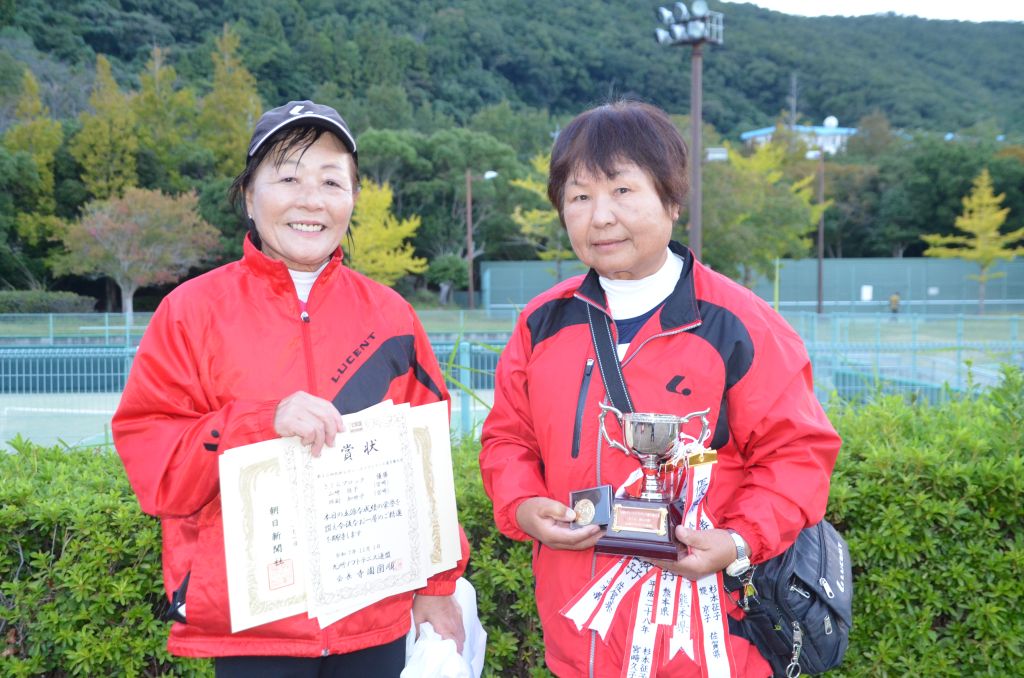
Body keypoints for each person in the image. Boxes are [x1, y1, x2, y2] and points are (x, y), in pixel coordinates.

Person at [479, 101, 841, 677]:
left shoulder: (738, 325)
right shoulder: (541, 322)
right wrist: (521, 504)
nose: (600, 216)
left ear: (672, 199)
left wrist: (738, 540)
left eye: (623, 190)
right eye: (579, 196)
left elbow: (797, 454)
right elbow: (508, 439)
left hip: (707, 641)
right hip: (578, 635)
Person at [112, 100, 469, 677]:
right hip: (254, 627)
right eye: (288, 178)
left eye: (331, 181)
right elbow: (157, 472)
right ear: (249, 196)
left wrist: (437, 585)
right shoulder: (189, 313)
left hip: (373, 613)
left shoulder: (392, 316)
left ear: (353, 198)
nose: (311, 200)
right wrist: (258, 422)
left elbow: (426, 470)